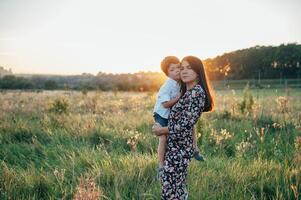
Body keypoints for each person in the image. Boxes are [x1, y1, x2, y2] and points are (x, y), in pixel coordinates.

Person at [153, 56, 215, 199]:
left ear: (198, 71)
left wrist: (162, 130)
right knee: (175, 189)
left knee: (171, 190)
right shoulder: (187, 91)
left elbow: (185, 125)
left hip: (179, 149)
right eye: (182, 68)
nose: (184, 71)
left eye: (189, 68)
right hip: (174, 147)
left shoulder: (196, 92)